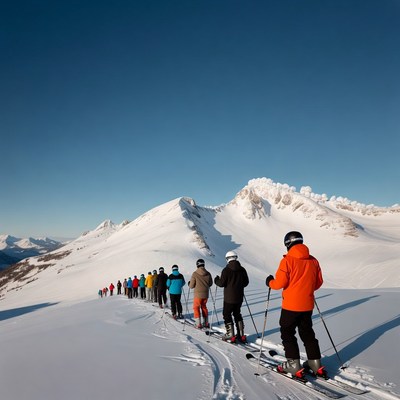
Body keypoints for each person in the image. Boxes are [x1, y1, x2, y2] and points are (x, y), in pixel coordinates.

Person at [266, 231, 324, 378]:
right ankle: (315, 363)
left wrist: (269, 282)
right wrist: (306, 289)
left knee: (287, 333)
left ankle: (293, 365)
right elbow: (318, 282)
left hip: (291, 306)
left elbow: (279, 284)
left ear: (288, 244)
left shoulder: (287, 260)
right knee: (307, 333)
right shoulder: (313, 260)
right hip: (307, 305)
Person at [214, 251, 249, 343]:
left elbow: (221, 284)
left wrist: (216, 280)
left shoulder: (226, 270)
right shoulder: (242, 269)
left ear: (227, 259)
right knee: (237, 314)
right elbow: (246, 282)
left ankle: (230, 334)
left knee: (227, 314)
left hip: (229, 298)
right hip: (239, 297)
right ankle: (241, 335)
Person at [189, 259, 213, 328]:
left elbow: (191, 286)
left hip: (198, 295)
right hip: (205, 294)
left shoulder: (195, 274)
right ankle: (206, 323)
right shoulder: (208, 273)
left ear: (197, 265)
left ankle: (198, 323)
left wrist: (189, 283)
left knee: (196, 307)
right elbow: (210, 283)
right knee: (204, 307)